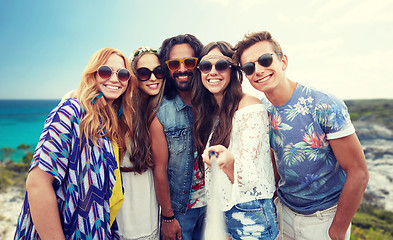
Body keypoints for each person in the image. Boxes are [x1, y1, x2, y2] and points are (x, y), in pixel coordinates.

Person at [233, 31, 369, 240]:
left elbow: (358, 172)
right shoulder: (262, 111)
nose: (258, 70)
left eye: (265, 60)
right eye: (249, 68)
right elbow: (274, 158)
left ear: (283, 61)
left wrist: (337, 230)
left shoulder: (323, 104)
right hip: (283, 213)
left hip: (324, 219)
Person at [14, 47, 137, 239]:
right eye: (105, 71)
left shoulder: (107, 123)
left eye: (122, 74)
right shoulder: (70, 111)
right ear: (92, 74)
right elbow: (38, 184)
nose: (114, 79)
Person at [193, 41, 279, 240]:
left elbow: (251, 178)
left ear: (233, 70)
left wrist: (228, 161)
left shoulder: (249, 106)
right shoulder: (209, 111)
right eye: (206, 66)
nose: (212, 72)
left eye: (221, 65)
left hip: (250, 210)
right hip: (219, 209)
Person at [149, 34, 205, 240]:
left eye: (189, 62)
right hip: (182, 212)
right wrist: (168, 217)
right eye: (174, 64)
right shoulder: (161, 112)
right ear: (167, 68)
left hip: (214, 208)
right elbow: (160, 169)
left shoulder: (211, 102)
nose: (182, 69)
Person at [115, 46, 165, 240]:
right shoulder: (119, 107)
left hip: (147, 192)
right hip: (123, 193)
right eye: (144, 73)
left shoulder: (160, 108)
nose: (153, 78)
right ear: (134, 75)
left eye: (158, 71)